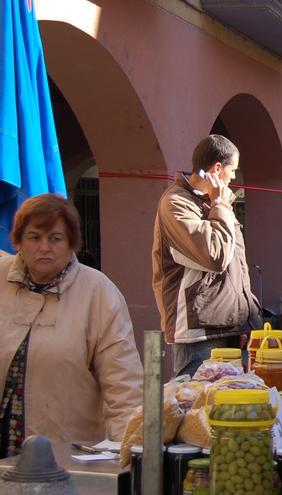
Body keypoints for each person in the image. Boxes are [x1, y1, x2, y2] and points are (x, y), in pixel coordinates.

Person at [0, 194, 143, 454]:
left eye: (55, 238)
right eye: (34, 237)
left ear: (71, 243)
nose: (44, 247)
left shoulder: (99, 293)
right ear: (19, 241)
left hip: (65, 456)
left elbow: (123, 384)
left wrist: (129, 452)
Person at [152, 135, 261, 378]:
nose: (233, 177)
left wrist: (246, 319)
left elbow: (236, 267)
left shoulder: (217, 203)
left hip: (228, 329)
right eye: (233, 170)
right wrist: (220, 204)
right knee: (196, 410)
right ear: (217, 168)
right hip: (199, 336)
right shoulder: (176, 203)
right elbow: (216, 257)